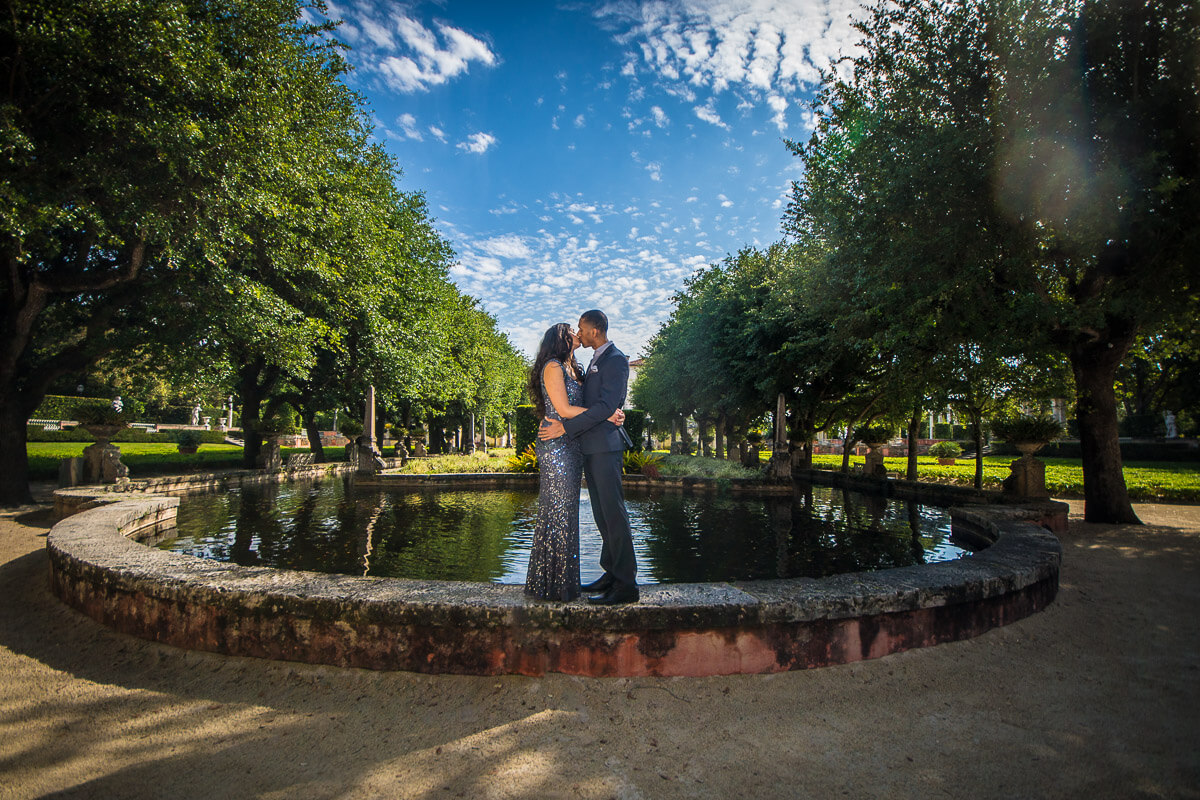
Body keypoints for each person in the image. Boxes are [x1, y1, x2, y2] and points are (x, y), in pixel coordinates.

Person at [538, 310, 639, 605]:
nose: (578, 334)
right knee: (601, 515)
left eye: (581, 328)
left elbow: (607, 405)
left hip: (606, 448)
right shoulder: (591, 360)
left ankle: (626, 585)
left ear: (594, 330)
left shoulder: (616, 359)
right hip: (591, 447)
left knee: (614, 515)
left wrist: (565, 427)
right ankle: (611, 573)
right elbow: (599, 407)